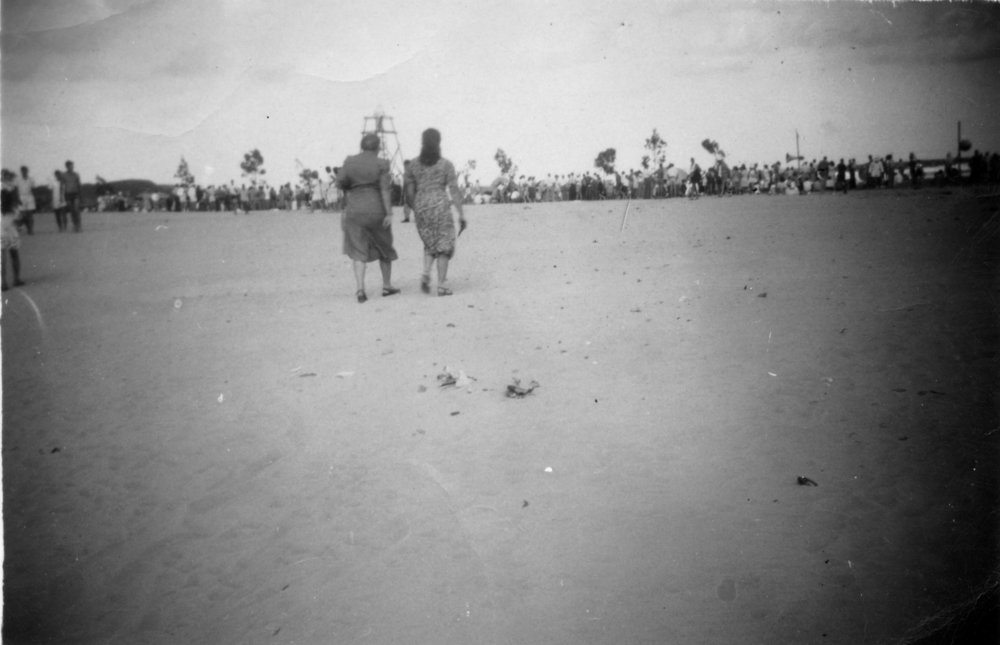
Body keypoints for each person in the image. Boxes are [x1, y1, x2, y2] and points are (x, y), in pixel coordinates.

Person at [336, 133, 399, 303]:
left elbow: (340, 182)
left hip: (354, 209)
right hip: (376, 209)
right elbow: (385, 190)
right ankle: (386, 286)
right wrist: (389, 212)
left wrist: (351, 187)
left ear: (362, 146)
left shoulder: (350, 161)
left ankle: (360, 289)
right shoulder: (382, 163)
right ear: (378, 147)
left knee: (358, 249)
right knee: (384, 246)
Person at [404, 128, 467, 297]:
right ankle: (441, 285)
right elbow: (454, 191)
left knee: (429, 242)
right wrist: (461, 214)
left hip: (421, 204)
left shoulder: (412, 165)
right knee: (444, 245)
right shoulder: (446, 164)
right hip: (440, 204)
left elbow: (409, 193)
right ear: (439, 142)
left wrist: (417, 208)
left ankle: (426, 271)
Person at [1, 170, 26, 290]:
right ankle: (16, 279)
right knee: (14, 253)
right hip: (9, 223)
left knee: (2, 254)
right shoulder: (11, 189)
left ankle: (3, 282)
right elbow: (17, 209)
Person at [15, 166, 37, 235]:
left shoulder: (31, 179)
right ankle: (18, 226)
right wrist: (17, 199)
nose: (24, 172)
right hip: (21, 197)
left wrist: (35, 199)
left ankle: (31, 230)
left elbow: (33, 189)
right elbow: (16, 190)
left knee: (30, 215)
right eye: (23, 171)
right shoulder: (17, 180)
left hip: (30, 197)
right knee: (23, 215)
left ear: (27, 171)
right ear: (21, 171)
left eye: (25, 171)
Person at [62, 160, 82, 231]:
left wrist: (80, 195)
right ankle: (75, 225)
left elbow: (79, 185)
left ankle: (79, 225)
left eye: (72, 166)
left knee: (76, 209)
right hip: (68, 194)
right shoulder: (64, 175)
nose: (72, 167)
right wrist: (62, 196)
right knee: (72, 211)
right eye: (70, 166)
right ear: (67, 167)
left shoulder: (76, 174)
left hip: (75, 193)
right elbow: (62, 186)